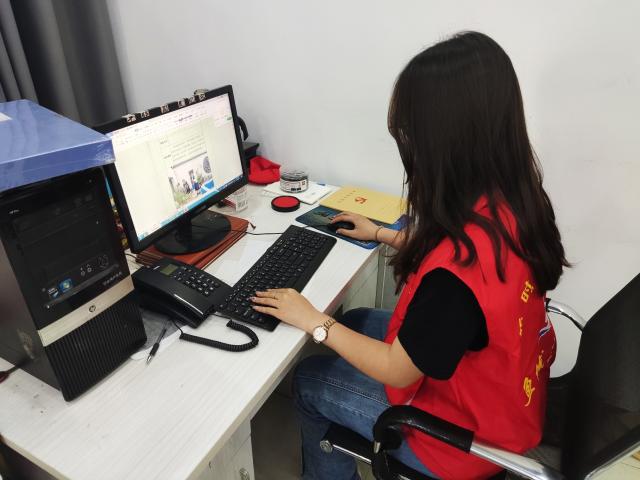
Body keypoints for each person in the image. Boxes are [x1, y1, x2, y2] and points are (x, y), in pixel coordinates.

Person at [251, 31, 568, 480]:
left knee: (308, 380)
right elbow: (462, 254)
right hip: (504, 390)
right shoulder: (516, 199)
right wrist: (382, 233)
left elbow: (396, 370)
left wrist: (313, 321)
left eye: (409, 134)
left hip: (464, 441)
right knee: (355, 320)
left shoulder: (453, 285)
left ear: (443, 142)